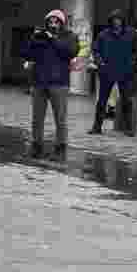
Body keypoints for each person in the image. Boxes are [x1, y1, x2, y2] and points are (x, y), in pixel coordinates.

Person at [22, 9, 79, 160]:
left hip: (59, 83)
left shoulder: (70, 36)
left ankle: (60, 146)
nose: (53, 24)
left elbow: (71, 52)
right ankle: (37, 145)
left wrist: (52, 39)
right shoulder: (40, 36)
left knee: (60, 118)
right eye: (50, 21)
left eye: (56, 21)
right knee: (37, 118)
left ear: (62, 23)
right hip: (39, 82)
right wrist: (34, 39)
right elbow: (27, 54)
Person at [90, 9, 136, 136]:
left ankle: (129, 128)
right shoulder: (103, 34)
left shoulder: (131, 33)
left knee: (126, 100)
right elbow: (95, 50)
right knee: (102, 101)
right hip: (107, 72)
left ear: (123, 20)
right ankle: (97, 127)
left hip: (125, 72)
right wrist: (100, 63)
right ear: (110, 21)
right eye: (114, 20)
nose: (116, 22)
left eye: (119, 19)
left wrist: (131, 63)